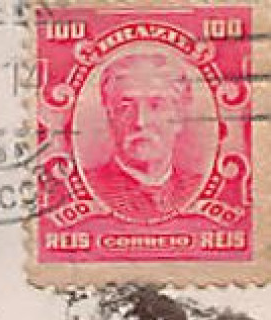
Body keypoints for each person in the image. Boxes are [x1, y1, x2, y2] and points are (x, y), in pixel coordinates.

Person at [84, 50, 206, 223]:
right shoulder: (93, 188)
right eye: (125, 107)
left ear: (179, 116)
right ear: (109, 115)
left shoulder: (195, 188)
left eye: (156, 105)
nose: (140, 121)